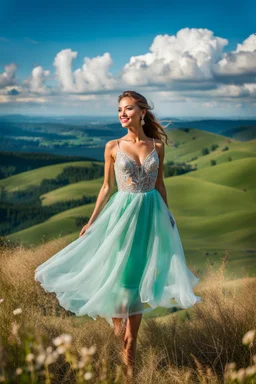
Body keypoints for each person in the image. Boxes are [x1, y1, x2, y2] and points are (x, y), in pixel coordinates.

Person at [35, 90, 201, 380]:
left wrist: (168, 215)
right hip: (121, 216)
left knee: (135, 278)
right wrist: (91, 221)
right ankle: (120, 340)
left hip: (151, 216)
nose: (122, 114)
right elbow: (105, 188)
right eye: (119, 110)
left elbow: (160, 184)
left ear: (142, 112)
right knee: (119, 275)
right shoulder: (112, 146)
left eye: (128, 109)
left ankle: (129, 358)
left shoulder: (157, 146)